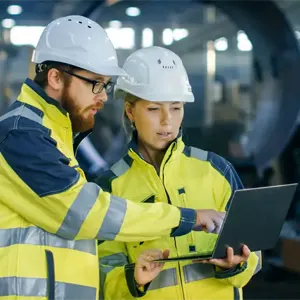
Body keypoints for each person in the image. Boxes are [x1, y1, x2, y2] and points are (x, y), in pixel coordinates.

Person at [0, 16, 225, 300]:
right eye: (95, 83)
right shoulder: (22, 134)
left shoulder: (53, 135)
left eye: (105, 86)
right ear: (55, 77)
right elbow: (83, 214)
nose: (103, 97)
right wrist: (185, 218)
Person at [97, 46, 262, 300]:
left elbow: (255, 253)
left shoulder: (217, 171)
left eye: (176, 108)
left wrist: (238, 264)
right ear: (130, 111)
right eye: (154, 109)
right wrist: (133, 279)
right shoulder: (110, 188)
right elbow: (103, 277)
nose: (167, 121)